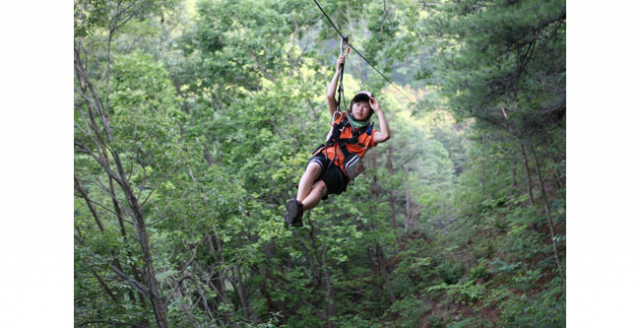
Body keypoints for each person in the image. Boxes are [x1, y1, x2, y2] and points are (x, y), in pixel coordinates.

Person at [284, 54, 391, 227]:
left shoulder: (369, 133)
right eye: (358, 104)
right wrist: (338, 70)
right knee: (312, 168)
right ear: (352, 106)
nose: (360, 109)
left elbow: (385, 135)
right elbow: (329, 97)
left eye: (365, 107)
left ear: (369, 112)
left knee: (319, 188)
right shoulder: (340, 118)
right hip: (327, 155)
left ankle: (298, 210)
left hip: (341, 171)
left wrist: (378, 110)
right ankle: (296, 208)